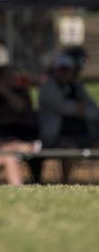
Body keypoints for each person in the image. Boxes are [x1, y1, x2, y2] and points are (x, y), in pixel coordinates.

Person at [38, 52, 99, 182]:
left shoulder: (77, 87)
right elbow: (61, 107)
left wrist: (79, 109)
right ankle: (66, 181)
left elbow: (94, 111)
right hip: (55, 137)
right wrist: (78, 108)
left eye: (68, 70)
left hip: (84, 135)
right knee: (68, 147)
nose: (65, 73)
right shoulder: (48, 87)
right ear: (55, 70)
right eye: (62, 70)